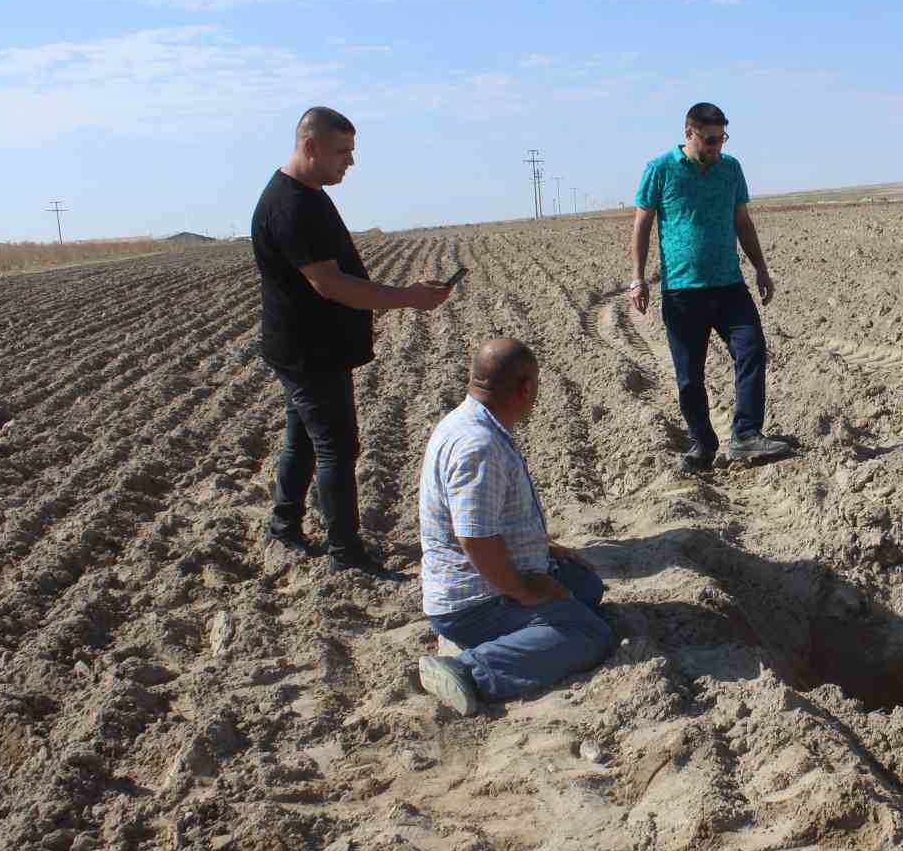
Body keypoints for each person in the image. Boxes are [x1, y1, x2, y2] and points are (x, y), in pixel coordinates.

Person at [250, 106, 452, 573]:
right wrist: (408, 298)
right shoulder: (291, 205)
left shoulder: (309, 193)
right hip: (309, 351)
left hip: (309, 347)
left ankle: (284, 527)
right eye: (343, 152)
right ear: (310, 146)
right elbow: (330, 284)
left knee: (304, 441)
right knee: (336, 447)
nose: (350, 162)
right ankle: (345, 553)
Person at [416, 338, 616, 714]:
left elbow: (487, 519)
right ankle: (468, 669)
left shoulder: (470, 421)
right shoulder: (479, 446)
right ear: (525, 388)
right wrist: (524, 590)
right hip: (474, 601)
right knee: (590, 634)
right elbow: (475, 537)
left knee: (585, 585)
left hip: (487, 580)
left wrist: (545, 549)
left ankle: (512, 637)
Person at [629, 102, 792, 473]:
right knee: (690, 375)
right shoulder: (660, 169)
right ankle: (702, 444)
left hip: (729, 285)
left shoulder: (731, 169)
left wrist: (761, 268)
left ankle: (746, 435)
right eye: (710, 139)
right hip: (683, 290)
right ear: (689, 134)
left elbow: (742, 221)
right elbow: (641, 225)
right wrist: (638, 278)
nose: (717, 146)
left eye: (722, 138)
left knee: (752, 349)